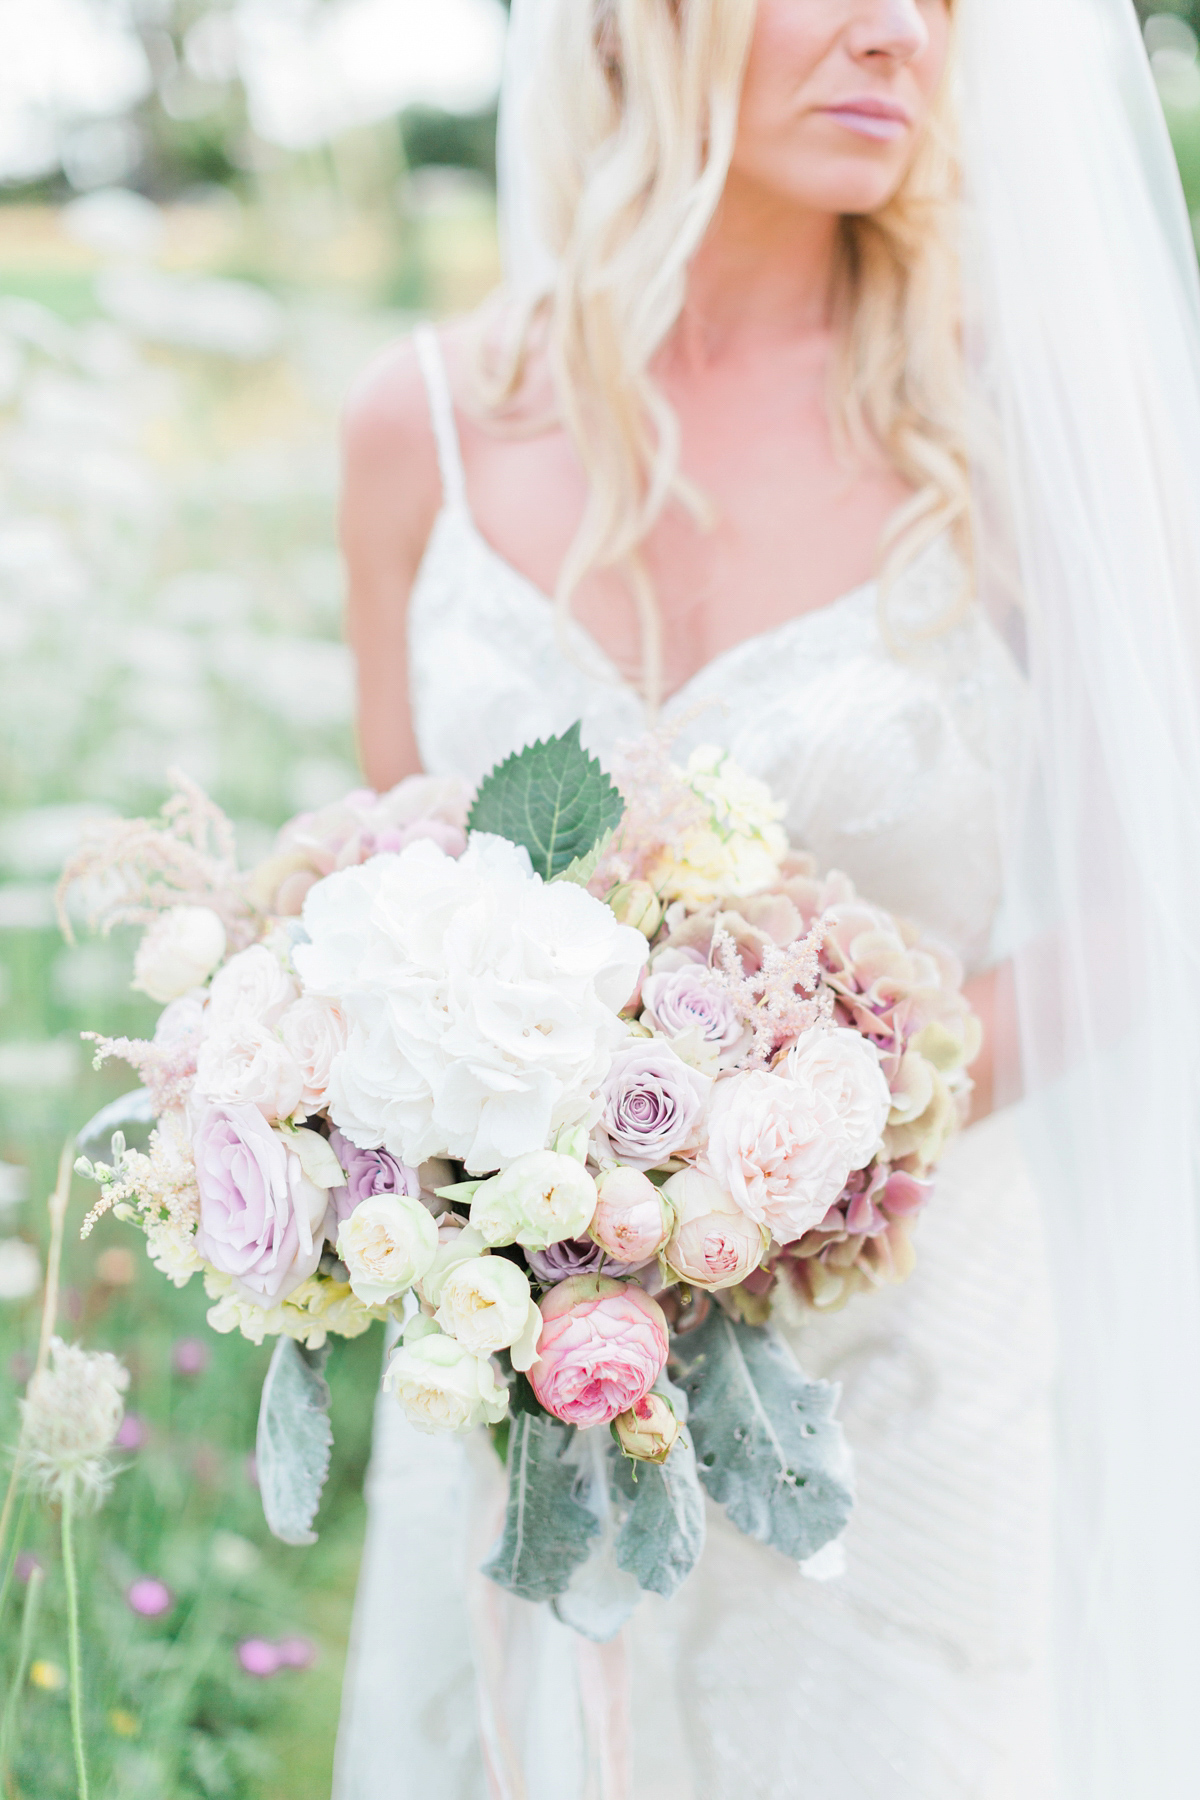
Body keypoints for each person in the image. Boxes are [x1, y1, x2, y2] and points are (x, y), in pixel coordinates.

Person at [331, 2, 1200, 1796]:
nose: (905, 35)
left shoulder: (1019, 418)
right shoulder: (419, 427)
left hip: (904, 1371)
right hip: (529, 1376)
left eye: (949, 1)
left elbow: (1153, 890)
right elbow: (380, 901)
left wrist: (798, 1139)